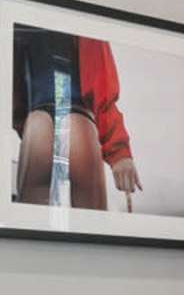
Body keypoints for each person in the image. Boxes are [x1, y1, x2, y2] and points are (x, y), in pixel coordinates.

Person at [10, 28, 140, 212]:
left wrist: (26, 125)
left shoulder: (18, 26)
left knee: (32, 225)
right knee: (92, 228)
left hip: (38, 121)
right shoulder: (86, 25)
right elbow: (103, 93)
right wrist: (120, 154)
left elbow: (14, 92)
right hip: (78, 121)